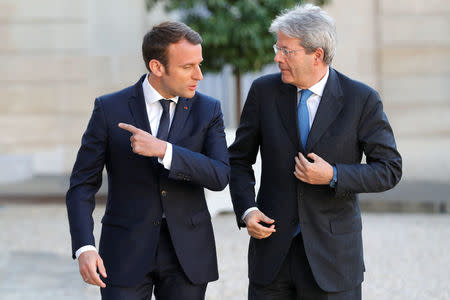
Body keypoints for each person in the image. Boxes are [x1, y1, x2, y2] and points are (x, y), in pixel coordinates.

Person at [228, 4, 402, 300]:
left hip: (333, 260)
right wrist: (247, 210)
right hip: (271, 258)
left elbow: (389, 169)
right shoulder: (263, 92)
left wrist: (334, 175)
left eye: (286, 50)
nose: (276, 57)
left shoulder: (361, 99)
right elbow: (237, 160)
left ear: (317, 55)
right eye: (277, 47)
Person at [66, 21, 229, 300]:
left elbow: (219, 175)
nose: (199, 75)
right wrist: (84, 247)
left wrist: (166, 151)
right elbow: (82, 184)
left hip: (187, 255)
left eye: (198, 64)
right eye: (188, 67)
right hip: (124, 252)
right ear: (157, 67)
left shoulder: (208, 109)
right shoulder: (109, 109)